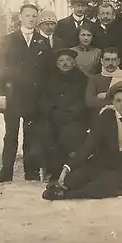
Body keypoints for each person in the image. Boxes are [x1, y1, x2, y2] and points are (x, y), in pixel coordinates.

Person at [42, 81, 122, 200]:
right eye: (118, 100)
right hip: (101, 164)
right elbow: (88, 146)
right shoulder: (104, 119)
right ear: (112, 102)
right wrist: (68, 166)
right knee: (75, 178)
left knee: (98, 187)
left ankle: (66, 195)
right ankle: (63, 187)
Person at [0, 4, 52, 184]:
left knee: (31, 134)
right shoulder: (9, 40)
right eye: (28, 16)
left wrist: (45, 96)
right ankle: (6, 171)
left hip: (34, 96)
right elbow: (0, 68)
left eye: (34, 16)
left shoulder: (42, 41)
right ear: (21, 18)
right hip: (13, 95)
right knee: (11, 134)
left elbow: (47, 72)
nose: (31, 19)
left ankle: (30, 171)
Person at [33, 48, 89, 183]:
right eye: (61, 61)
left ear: (74, 63)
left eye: (69, 60)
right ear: (57, 64)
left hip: (73, 118)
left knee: (71, 134)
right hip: (52, 117)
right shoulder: (49, 79)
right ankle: (54, 171)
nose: (65, 63)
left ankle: (70, 170)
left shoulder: (82, 79)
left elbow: (83, 100)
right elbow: (42, 99)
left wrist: (72, 113)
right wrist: (52, 110)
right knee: (46, 133)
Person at [85, 47, 122, 120]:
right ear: (101, 61)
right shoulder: (94, 79)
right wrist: (116, 101)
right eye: (107, 60)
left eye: (114, 60)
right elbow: (90, 102)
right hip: (100, 118)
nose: (110, 63)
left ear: (118, 61)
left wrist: (103, 96)